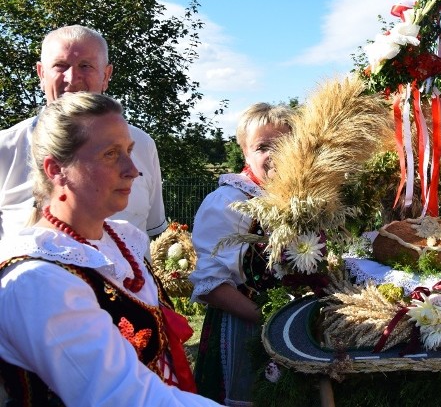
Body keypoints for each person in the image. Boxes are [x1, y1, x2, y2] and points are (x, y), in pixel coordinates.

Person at [0, 92, 221, 406]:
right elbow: (123, 397)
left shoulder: (119, 242)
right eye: (111, 154)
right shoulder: (38, 280)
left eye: (129, 151)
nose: (132, 169)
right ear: (55, 169)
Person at [0, 24, 167, 240]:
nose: (72, 78)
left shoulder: (142, 145)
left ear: (106, 75)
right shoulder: (5, 147)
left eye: (85, 66)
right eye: (60, 65)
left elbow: (154, 232)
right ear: (41, 74)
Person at [190, 102, 293, 406]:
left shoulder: (297, 200)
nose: (274, 154)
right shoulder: (226, 201)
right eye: (262, 146)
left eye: (284, 144)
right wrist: (268, 319)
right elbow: (210, 286)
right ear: (244, 151)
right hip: (242, 330)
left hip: (291, 330)